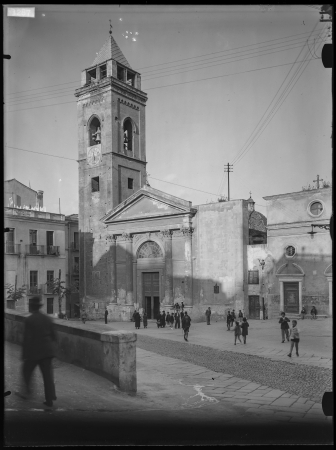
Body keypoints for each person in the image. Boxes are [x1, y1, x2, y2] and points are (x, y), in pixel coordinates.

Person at [20, 296, 57, 408]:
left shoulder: (29, 320)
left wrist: (24, 355)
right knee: (48, 376)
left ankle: (27, 391)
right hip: (47, 352)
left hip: (34, 352)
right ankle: (49, 399)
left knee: (26, 371)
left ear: (32, 307)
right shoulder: (48, 319)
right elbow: (54, 336)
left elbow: (27, 339)